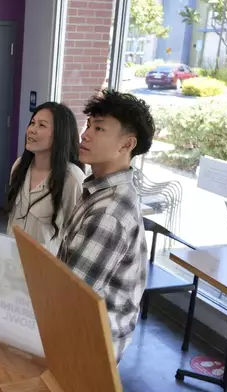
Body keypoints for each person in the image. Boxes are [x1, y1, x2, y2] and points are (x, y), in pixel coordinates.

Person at [57, 89, 155, 362]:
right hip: (82, 329)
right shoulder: (99, 190)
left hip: (90, 343)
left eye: (99, 128)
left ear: (127, 145)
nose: (85, 134)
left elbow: (69, 294)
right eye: (88, 125)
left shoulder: (110, 211)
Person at [6, 102, 85, 254]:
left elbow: (78, 237)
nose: (32, 130)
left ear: (60, 134)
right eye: (32, 123)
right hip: (12, 261)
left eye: (42, 125)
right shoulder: (19, 166)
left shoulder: (73, 179)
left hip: (46, 271)